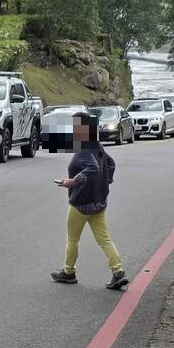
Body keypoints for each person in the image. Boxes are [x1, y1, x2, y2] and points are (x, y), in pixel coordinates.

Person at [51, 112, 128, 290]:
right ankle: (118, 272)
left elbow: (92, 167)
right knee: (104, 239)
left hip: (80, 203)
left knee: (72, 239)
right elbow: (111, 164)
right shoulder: (96, 145)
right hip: (98, 202)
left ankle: (68, 272)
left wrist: (73, 181)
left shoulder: (84, 147)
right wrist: (103, 184)